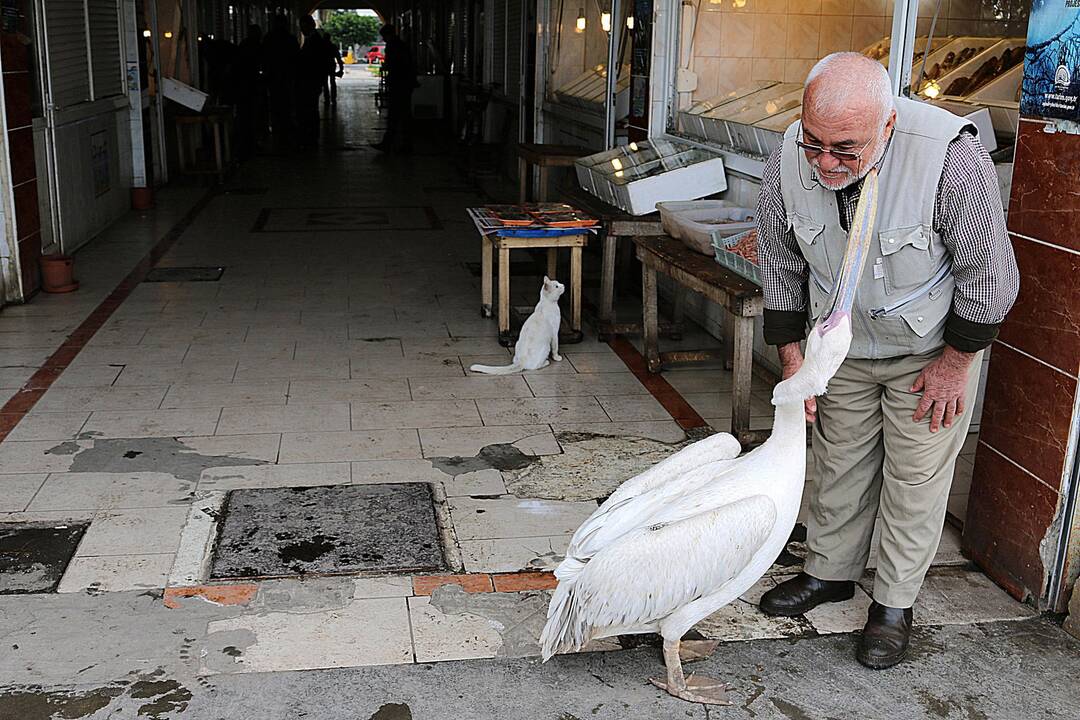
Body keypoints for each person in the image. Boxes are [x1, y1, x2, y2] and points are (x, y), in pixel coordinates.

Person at [754, 52, 1019, 669]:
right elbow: (780, 261)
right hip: (839, 346)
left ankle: (893, 605)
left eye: (845, 149)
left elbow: (991, 274)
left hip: (929, 353)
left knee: (915, 479)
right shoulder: (788, 157)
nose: (824, 162)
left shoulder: (951, 157)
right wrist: (795, 359)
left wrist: (956, 365)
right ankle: (829, 574)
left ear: (888, 125)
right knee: (838, 462)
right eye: (814, 141)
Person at [371, 24, 417, 153]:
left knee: (395, 115)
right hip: (404, 84)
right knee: (403, 115)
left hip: (399, 84)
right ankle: (401, 144)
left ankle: (391, 144)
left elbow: (395, 64)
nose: (383, 39)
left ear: (388, 35)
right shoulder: (401, 45)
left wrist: (387, 67)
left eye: (384, 36)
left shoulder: (393, 46)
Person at [262, 14, 299, 151]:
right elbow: (296, 60)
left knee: (276, 107)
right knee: (287, 107)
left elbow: (264, 58)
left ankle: (279, 134)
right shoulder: (290, 39)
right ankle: (286, 134)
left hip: (274, 79)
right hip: (287, 79)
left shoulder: (269, 39)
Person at [295, 16, 327, 148]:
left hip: (310, 81)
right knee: (311, 109)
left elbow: (310, 62)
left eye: (303, 27)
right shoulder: (314, 39)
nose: (301, 30)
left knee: (309, 109)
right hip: (312, 81)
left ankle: (310, 137)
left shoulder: (313, 41)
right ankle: (311, 136)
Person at [234, 24, 265, 159]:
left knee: (246, 117)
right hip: (251, 88)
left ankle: (246, 144)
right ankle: (250, 143)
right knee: (252, 116)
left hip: (244, 88)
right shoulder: (257, 47)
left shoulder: (244, 46)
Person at [322, 30, 344, 107]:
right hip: (331, 65)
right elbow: (338, 58)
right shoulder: (333, 46)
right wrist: (341, 69)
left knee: (324, 83)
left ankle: (327, 99)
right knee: (332, 82)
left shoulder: (321, 47)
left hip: (323, 66)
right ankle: (333, 99)